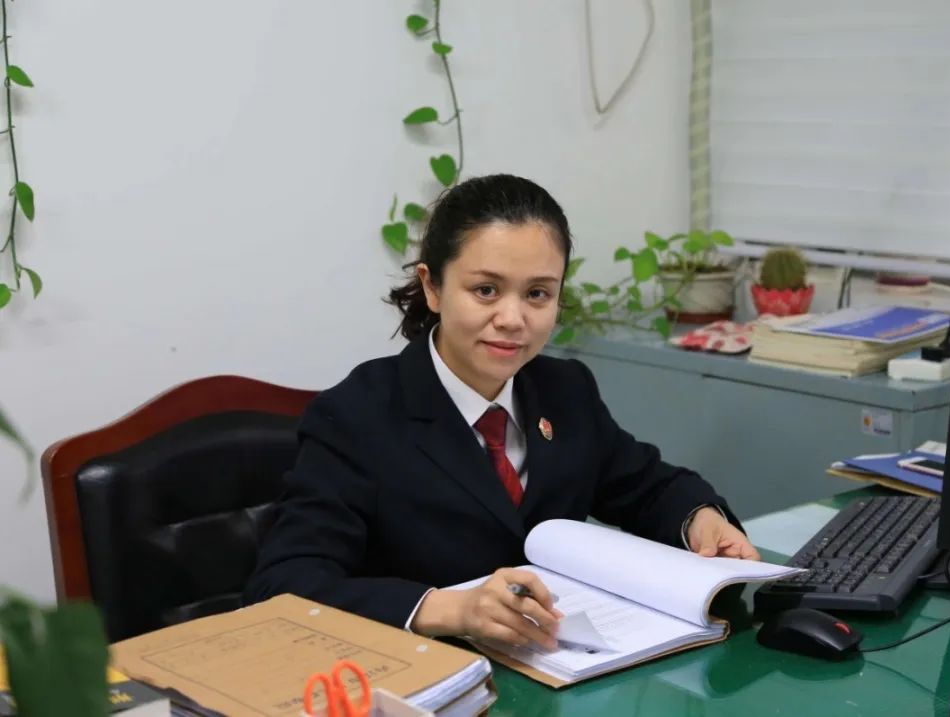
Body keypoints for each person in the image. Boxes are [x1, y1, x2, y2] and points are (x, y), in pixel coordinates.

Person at [244, 174, 760, 651]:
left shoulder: (565, 390)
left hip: (559, 669)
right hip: (427, 678)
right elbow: (282, 586)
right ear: (433, 287)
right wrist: (447, 609)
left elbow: (647, 485)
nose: (512, 319)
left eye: (537, 294)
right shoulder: (356, 416)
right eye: (485, 290)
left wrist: (700, 519)